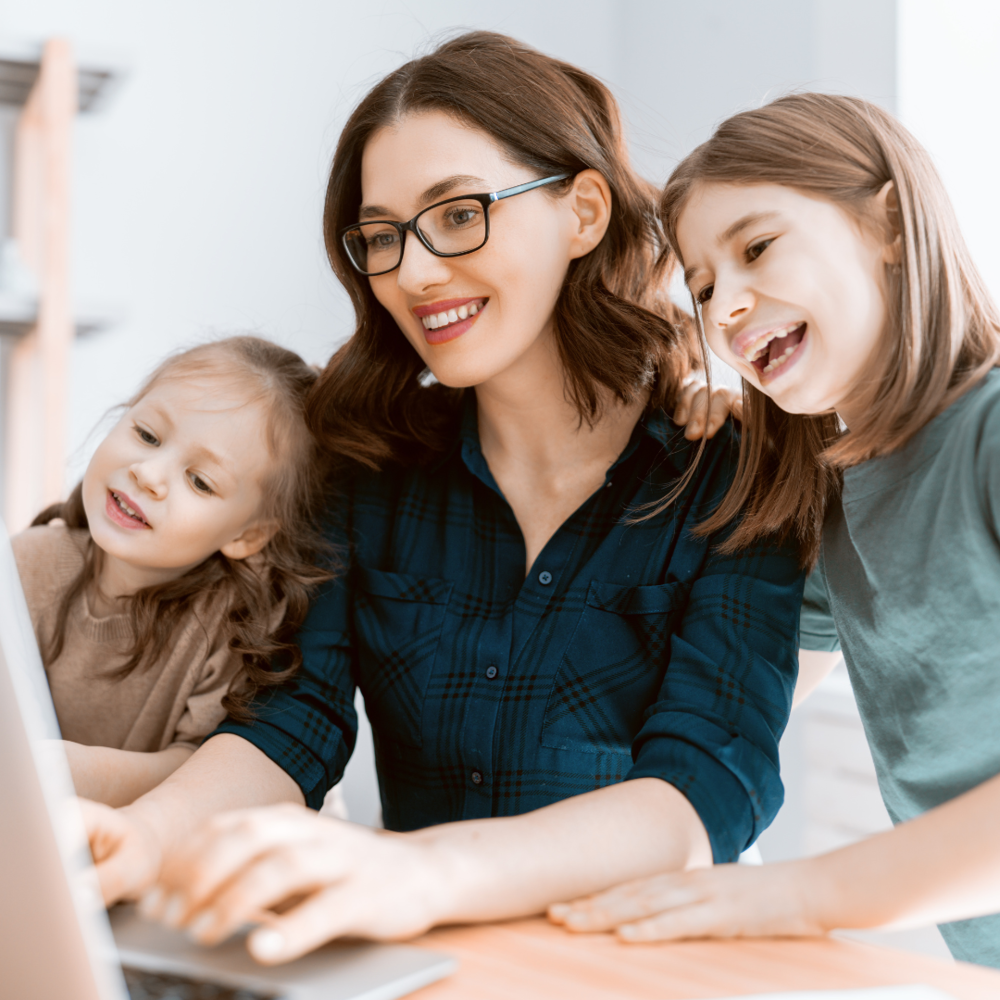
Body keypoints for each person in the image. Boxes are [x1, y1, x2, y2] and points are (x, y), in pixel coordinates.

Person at [80, 32, 804, 965]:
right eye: (381, 236)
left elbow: (709, 789)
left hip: (644, 970)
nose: (413, 273)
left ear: (582, 212)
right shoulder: (368, 468)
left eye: (458, 214)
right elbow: (294, 727)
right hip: (426, 965)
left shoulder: (731, 470)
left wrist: (422, 875)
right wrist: (146, 835)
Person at [549, 93, 1000, 969]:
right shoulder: (832, 503)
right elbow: (738, 701)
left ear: (892, 224)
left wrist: (795, 896)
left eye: (757, 248)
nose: (724, 309)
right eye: (705, 287)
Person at [18, 336, 329, 807]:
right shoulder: (27, 564)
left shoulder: (233, 627)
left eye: (200, 481)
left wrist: (70, 773)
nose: (149, 474)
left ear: (247, 536)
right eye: (146, 435)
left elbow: (202, 769)